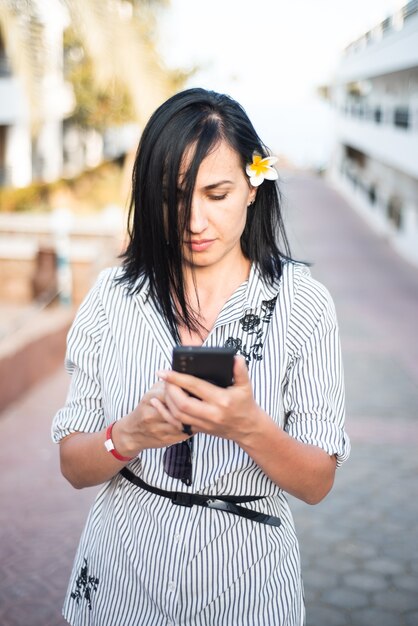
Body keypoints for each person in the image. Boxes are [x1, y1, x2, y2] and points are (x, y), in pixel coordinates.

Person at [52, 87, 350, 626]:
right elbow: (73, 465)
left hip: (247, 584)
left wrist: (250, 427)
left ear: (253, 187)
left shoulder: (303, 305)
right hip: (123, 578)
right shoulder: (114, 296)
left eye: (217, 194)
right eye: (174, 197)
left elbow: (317, 482)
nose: (194, 222)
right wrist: (130, 435)